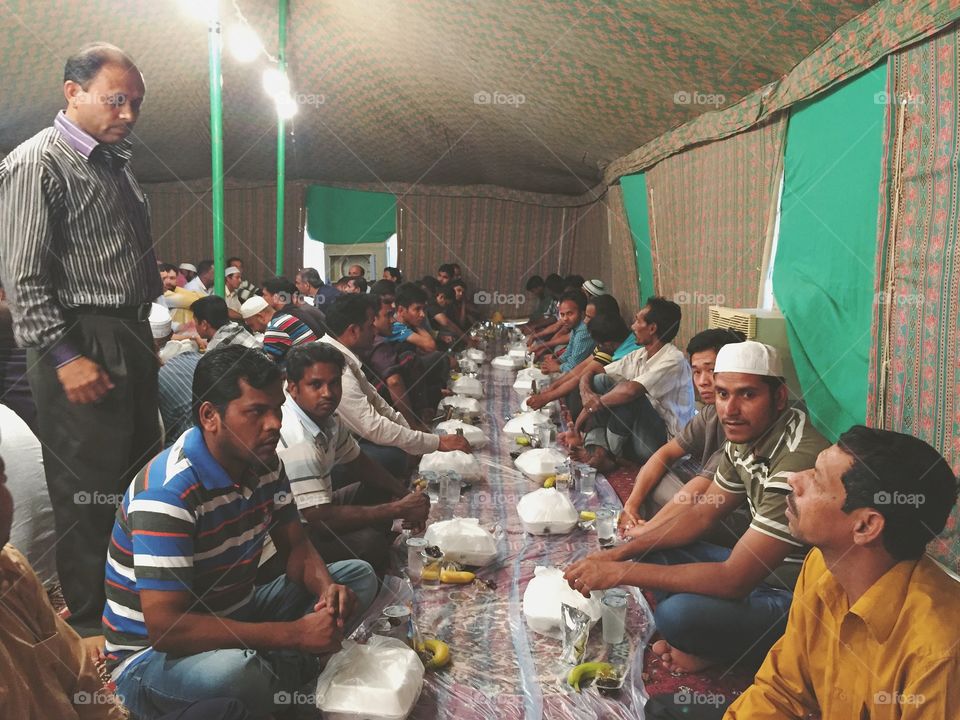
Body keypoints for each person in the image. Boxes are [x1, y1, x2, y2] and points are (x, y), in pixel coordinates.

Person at [104, 347, 378, 719]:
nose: (274, 424)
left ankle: (277, 675)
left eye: (277, 409)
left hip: (236, 611)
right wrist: (294, 634)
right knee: (235, 672)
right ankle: (283, 673)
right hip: (153, 658)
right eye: (256, 412)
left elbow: (296, 545)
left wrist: (326, 591)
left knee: (357, 577)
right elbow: (168, 629)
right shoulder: (167, 493)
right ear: (210, 416)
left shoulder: (265, 463)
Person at [0, 42, 162, 637]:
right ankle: (95, 626)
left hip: (128, 330)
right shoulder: (36, 163)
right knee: (87, 489)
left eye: (136, 104)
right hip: (78, 335)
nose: (128, 114)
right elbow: (23, 276)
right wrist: (64, 357)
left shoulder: (116, 166)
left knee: (139, 474)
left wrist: (146, 330)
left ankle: (141, 602)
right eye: (117, 100)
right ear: (73, 93)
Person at [565, 341, 829, 674]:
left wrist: (619, 572)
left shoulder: (796, 461)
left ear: (778, 398)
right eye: (722, 394)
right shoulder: (744, 436)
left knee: (676, 616)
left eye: (747, 395)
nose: (729, 410)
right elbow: (702, 514)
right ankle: (709, 640)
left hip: (791, 593)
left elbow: (734, 579)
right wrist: (619, 553)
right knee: (650, 549)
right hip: (756, 574)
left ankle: (729, 651)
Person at [724, 427, 960, 719]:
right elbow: (782, 690)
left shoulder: (937, 650)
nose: (794, 478)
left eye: (818, 480)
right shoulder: (819, 567)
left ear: (865, 526)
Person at [0, 455, 254, 720]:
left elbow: (79, 675)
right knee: (239, 678)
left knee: (225, 711)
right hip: (137, 663)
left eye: (1, 480)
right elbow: (167, 627)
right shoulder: (168, 488)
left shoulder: (11, 565)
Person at [271, 343, 431, 576]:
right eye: (316, 384)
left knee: (379, 483)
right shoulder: (298, 440)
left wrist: (405, 496)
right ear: (293, 388)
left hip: (316, 507)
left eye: (334, 383)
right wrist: (397, 508)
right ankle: (367, 563)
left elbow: (358, 462)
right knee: (369, 544)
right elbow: (321, 520)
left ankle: (378, 544)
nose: (328, 392)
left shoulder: (327, 417)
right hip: (296, 534)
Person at [319, 295, 470, 476]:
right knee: (393, 457)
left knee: (401, 447)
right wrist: (435, 442)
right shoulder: (330, 365)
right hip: (320, 457)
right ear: (353, 331)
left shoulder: (344, 355)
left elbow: (378, 403)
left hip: (342, 441)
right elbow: (372, 426)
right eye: (370, 326)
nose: (374, 332)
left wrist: (416, 436)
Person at [620, 328, 745, 529]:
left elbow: (701, 487)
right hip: (705, 491)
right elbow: (666, 453)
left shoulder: (743, 421)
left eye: (711, 370)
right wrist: (631, 505)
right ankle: (649, 526)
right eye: (696, 372)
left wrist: (646, 532)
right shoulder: (710, 412)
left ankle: (651, 533)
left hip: (733, 514)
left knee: (677, 503)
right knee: (651, 477)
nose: (702, 381)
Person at [572, 297, 695, 471]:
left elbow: (630, 391)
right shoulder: (640, 355)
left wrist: (589, 408)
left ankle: (611, 453)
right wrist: (587, 394)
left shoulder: (673, 359)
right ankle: (602, 452)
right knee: (601, 382)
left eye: (638, 321)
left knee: (631, 394)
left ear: (652, 328)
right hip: (638, 431)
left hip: (662, 444)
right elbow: (595, 373)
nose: (632, 326)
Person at [240, 294, 318, 366]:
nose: (254, 330)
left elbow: (265, 364)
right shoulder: (284, 317)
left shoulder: (274, 328)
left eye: (252, 325)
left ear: (260, 317)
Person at [539, 290, 592, 374]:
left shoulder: (583, 333)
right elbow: (569, 351)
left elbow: (573, 367)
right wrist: (556, 361)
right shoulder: (576, 329)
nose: (565, 319)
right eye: (562, 314)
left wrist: (557, 367)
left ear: (582, 313)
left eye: (570, 314)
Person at [261, 275, 326, 337]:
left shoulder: (285, 318)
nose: (262, 298)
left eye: (265, 295)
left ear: (276, 297)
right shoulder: (296, 312)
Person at [192, 295, 260, 351]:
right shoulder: (236, 327)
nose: (194, 325)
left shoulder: (215, 349)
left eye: (195, 321)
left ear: (204, 324)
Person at [159, 263, 206, 331]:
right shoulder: (161, 294)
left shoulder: (176, 290)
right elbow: (190, 300)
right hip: (170, 332)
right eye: (164, 278)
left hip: (185, 330)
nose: (168, 281)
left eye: (172, 278)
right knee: (183, 309)